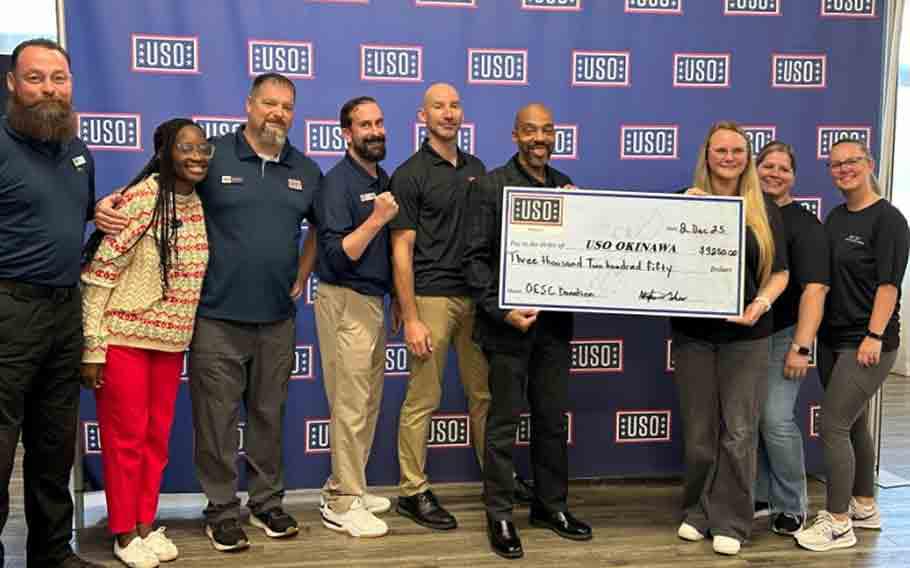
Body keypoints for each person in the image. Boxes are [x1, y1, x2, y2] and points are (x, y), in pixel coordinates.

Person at [94, 73, 321, 553]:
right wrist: (101, 206)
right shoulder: (211, 157)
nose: (276, 113)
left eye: (286, 106)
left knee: (268, 415)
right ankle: (221, 509)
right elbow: (154, 189)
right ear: (249, 105)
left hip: (277, 318)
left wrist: (302, 272)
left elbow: (322, 227)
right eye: (268, 103)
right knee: (215, 421)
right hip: (214, 317)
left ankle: (266, 502)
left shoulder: (306, 169)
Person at [463, 103, 592, 560]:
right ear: (515, 135)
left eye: (548, 131)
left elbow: (581, 259)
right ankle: (499, 513)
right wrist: (503, 311)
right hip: (508, 330)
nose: (540, 138)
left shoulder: (565, 187)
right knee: (502, 425)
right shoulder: (491, 186)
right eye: (531, 131)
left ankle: (550, 505)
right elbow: (474, 260)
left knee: (553, 422)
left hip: (554, 328)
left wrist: (584, 217)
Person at [80, 118, 211, 567]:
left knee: (155, 439)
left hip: (171, 342)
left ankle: (144, 521)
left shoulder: (196, 204)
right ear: (163, 152)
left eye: (202, 148)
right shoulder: (138, 200)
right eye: (186, 148)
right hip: (124, 339)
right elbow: (99, 277)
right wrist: (94, 347)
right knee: (125, 439)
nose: (196, 156)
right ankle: (123, 531)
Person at [0, 38, 103, 568]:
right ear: (12, 84)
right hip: (8, 310)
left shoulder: (78, 152)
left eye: (58, 78)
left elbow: (77, 219)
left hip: (66, 312)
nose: (49, 89)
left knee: (54, 444)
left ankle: (51, 553)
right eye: (36, 78)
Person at [673, 121, 789, 556]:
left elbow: (781, 273)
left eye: (737, 150)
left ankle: (733, 521)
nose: (728, 157)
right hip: (694, 336)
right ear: (706, 156)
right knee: (701, 435)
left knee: (739, 432)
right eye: (720, 150)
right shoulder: (683, 201)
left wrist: (759, 304)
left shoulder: (766, 210)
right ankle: (698, 512)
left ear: (748, 158)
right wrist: (686, 213)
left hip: (748, 336)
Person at [796, 139, 910, 552]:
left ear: (869, 164)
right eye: (835, 164)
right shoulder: (836, 218)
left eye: (852, 162)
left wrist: (874, 336)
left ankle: (839, 523)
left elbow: (888, 285)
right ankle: (864, 506)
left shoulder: (889, 220)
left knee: (833, 424)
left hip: (867, 341)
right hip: (832, 339)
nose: (843, 169)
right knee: (855, 422)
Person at [389, 83, 492, 529]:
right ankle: (412, 490)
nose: (448, 113)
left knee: (484, 395)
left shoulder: (478, 168)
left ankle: (498, 481)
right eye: (438, 106)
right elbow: (400, 249)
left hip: (477, 297)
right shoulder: (410, 173)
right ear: (422, 115)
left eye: (454, 105)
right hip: (431, 296)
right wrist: (410, 316)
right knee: (423, 398)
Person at [314, 96, 398, 538]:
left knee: (366, 402)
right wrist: (378, 219)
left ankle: (347, 486)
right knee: (348, 404)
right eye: (364, 125)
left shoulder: (380, 176)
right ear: (346, 133)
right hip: (344, 299)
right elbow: (337, 254)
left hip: (372, 302)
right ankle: (342, 503)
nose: (375, 131)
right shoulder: (337, 183)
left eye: (379, 122)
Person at [752, 141, 829, 537]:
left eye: (783, 168)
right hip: (742, 337)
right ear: (756, 167)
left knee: (776, 420)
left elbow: (815, 290)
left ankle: (792, 504)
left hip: (784, 336)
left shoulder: (806, 225)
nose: (774, 173)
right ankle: (762, 496)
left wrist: (802, 346)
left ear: (793, 177)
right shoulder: (744, 213)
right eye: (768, 165)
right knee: (749, 421)